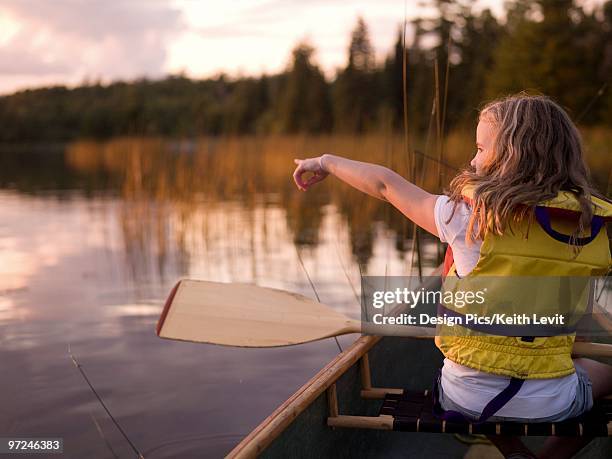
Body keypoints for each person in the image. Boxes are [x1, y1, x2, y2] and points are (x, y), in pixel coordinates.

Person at [292, 93, 612, 459]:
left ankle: (512, 451)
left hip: (463, 398)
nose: (472, 160)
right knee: (601, 377)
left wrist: (327, 162)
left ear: (511, 154)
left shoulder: (465, 218)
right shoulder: (588, 229)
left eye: (480, 148)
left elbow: (384, 184)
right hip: (552, 404)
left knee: (466, 378)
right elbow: (578, 332)